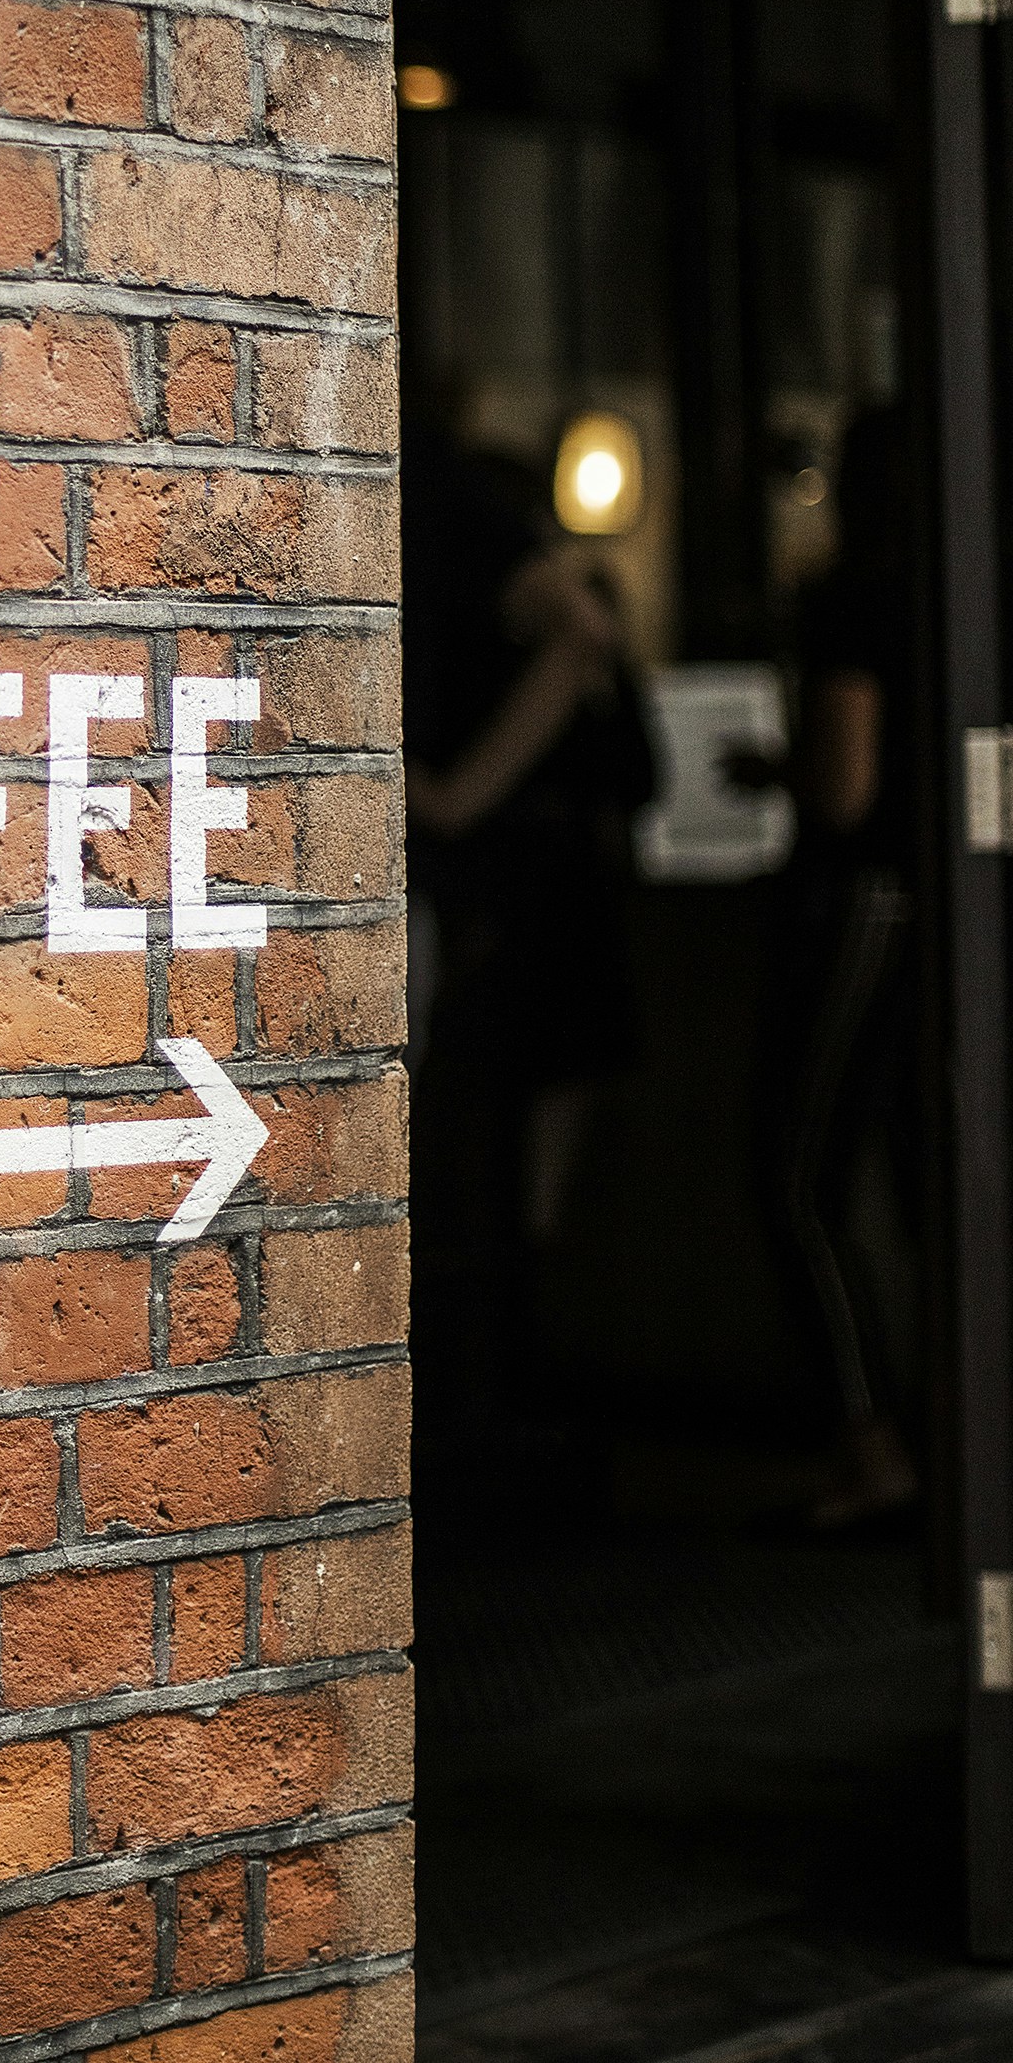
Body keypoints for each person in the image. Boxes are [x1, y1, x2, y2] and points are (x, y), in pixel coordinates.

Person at [404, 413, 658, 1498]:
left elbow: (581, 639)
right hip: (514, 901)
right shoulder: (441, 506)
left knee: (480, 1167)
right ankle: (491, 1411)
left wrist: (452, 796)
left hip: (509, 905)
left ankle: (490, 1419)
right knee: (483, 1171)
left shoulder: (450, 507)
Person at [749, 407, 920, 1531]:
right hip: (925, 903)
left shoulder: (855, 594)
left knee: (796, 1178)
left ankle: (870, 1448)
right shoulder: (949, 581)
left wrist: (779, 764)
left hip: (861, 899)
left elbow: (846, 788)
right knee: (910, 1179)